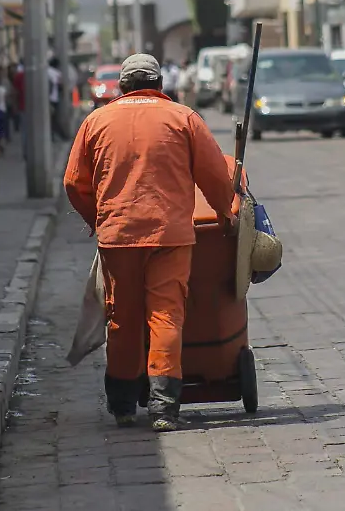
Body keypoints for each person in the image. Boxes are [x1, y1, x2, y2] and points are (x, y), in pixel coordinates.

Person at [64, 53, 235, 432]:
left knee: (122, 319)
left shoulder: (96, 121)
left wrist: (99, 220)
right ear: (160, 86)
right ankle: (163, 405)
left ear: (122, 87)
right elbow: (215, 177)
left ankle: (124, 404)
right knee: (166, 315)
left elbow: (74, 182)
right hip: (170, 236)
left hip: (118, 237)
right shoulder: (185, 119)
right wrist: (226, 215)